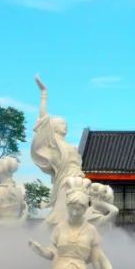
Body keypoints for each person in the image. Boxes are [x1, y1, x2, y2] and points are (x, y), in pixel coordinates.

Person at [30, 75, 85, 225]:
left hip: (78, 181)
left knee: (80, 211)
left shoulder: (69, 146)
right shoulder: (53, 144)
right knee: (61, 213)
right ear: (53, 127)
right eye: (61, 123)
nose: (65, 125)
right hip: (65, 181)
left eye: (66, 123)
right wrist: (44, 94)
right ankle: (46, 233)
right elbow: (43, 119)